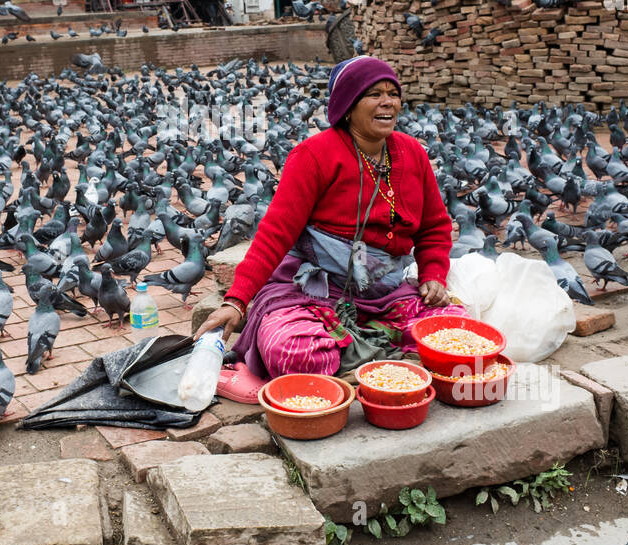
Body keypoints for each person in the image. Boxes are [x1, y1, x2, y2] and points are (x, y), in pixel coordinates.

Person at [197, 55, 463, 392]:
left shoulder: (412, 153)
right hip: (317, 295)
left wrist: (434, 276)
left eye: (393, 93)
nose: (387, 102)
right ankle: (389, 367)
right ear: (348, 106)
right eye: (374, 94)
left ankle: (357, 367)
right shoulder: (313, 156)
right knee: (291, 350)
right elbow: (274, 234)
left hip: (387, 293)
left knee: (455, 329)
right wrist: (236, 301)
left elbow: (434, 227)